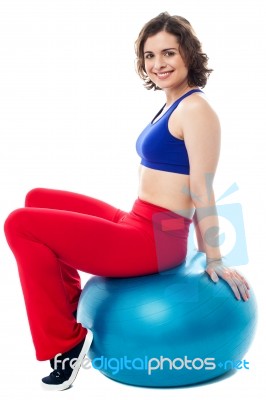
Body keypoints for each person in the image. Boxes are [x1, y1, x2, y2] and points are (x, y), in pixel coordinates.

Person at [4, 12, 250, 391]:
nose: (158, 64)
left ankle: (66, 346)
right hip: (136, 218)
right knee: (36, 199)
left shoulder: (197, 109)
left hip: (154, 239)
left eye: (168, 52)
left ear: (189, 54)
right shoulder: (173, 104)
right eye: (150, 56)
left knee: (20, 224)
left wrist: (213, 257)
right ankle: (69, 307)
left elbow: (202, 187)